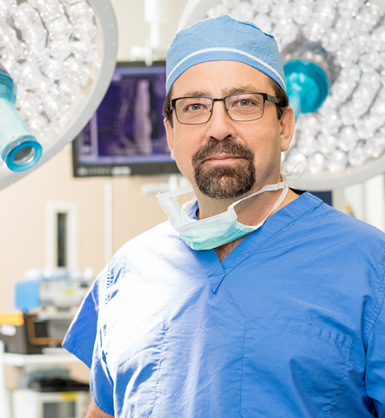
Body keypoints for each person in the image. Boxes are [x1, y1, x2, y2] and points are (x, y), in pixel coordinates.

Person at [63, 15, 385, 418]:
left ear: (284, 126)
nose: (218, 127)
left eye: (244, 103)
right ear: (171, 132)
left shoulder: (369, 265)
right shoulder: (126, 274)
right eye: (194, 106)